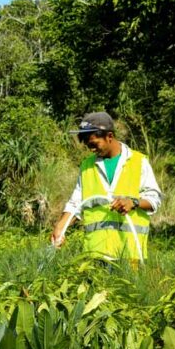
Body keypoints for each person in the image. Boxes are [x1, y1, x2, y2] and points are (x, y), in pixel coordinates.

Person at [50, 112, 162, 265]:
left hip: (130, 255)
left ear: (109, 136)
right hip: (95, 255)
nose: (92, 150)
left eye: (94, 144)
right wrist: (60, 227)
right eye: (88, 146)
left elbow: (154, 199)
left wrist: (133, 202)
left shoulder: (138, 162)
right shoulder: (86, 166)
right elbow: (76, 203)